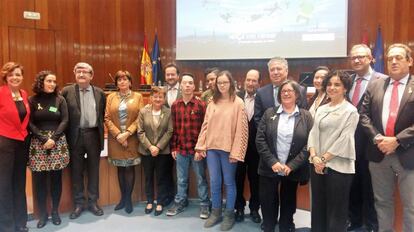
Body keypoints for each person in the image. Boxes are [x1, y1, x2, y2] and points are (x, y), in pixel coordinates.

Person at [360, 43, 414, 232]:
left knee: (412, 206)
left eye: (398, 58)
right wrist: (377, 139)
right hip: (379, 153)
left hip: (408, 155)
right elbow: (363, 116)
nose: (393, 62)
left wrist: (397, 140)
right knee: (382, 202)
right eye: (390, 58)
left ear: (410, 61)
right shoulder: (375, 85)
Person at [256, 80, 313, 232]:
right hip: (270, 168)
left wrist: (292, 165)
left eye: (290, 91)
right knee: (268, 201)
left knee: (288, 202)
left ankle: (285, 226)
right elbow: (260, 140)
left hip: (291, 169)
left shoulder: (306, 116)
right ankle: (268, 226)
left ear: (297, 95)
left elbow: (310, 144)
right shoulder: (269, 113)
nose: (286, 93)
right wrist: (272, 162)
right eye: (283, 91)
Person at [195, 70, 248, 231]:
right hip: (212, 148)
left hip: (228, 150)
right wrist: (201, 146)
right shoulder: (212, 103)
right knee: (215, 182)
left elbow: (242, 129)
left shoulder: (238, 103)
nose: (222, 85)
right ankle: (216, 212)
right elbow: (205, 126)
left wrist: (236, 152)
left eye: (225, 82)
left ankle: (229, 214)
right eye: (219, 83)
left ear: (231, 83)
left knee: (229, 182)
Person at [308, 70, 359, 232]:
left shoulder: (350, 111)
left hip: (338, 167)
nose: (332, 87)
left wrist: (323, 160)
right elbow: (313, 133)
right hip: (316, 164)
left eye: (337, 85)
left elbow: (345, 140)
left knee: (336, 211)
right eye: (329, 84)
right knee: (318, 207)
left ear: (345, 88)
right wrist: (314, 156)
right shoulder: (322, 109)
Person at [347, 44, 385, 232]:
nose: (357, 60)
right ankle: (354, 221)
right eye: (353, 57)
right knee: (351, 184)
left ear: (371, 58)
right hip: (348, 144)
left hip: (372, 143)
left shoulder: (383, 80)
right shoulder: (347, 80)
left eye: (361, 56)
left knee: (371, 188)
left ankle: (371, 225)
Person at [61, 62, 106, 219]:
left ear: (91, 75)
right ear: (74, 74)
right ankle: (79, 204)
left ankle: (93, 202)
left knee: (94, 170)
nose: (81, 74)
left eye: (85, 72)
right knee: (76, 172)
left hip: (94, 135)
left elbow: (102, 116)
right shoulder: (66, 91)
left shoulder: (100, 93)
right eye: (78, 71)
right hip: (75, 136)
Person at [28, 71, 69, 228]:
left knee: (55, 180)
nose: (52, 84)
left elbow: (65, 120)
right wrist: (44, 138)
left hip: (57, 143)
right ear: (41, 82)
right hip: (38, 144)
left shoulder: (60, 99)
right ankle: (43, 215)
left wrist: (53, 139)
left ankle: (55, 212)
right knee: (39, 182)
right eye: (48, 81)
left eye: (54, 81)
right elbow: (30, 122)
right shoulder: (32, 100)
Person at [167, 73, 210, 219]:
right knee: (181, 179)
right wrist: (173, 147)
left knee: (201, 179)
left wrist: (201, 148)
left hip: (197, 150)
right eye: (184, 83)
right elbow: (173, 129)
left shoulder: (201, 105)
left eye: (190, 83)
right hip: (181, 150)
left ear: (194, 86)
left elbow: (206, 129)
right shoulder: (175, 105)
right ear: (181, 85)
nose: (187, 86)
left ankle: (204, 205)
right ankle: (180, 202)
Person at [104, 70, 143, 214]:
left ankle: (128, 200)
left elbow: (140, 117)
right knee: (120, 168)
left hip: (131, 138)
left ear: (130, 82)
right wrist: (118, 135)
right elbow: (106, 118)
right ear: (116, 83)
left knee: (129, 168)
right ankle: (123, 198)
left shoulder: (138, 96)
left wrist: (127, 134)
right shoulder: (111, 97)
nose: (122, 82)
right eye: (119, 80)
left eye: (125, 79)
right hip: (115, 140)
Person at [0, 62, 30, 232]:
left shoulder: (24, 94)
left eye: (18, 74)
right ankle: (6, 225)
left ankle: (20, 222)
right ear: (6, 77)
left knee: (19, 184)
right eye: (11, 75)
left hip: (21, 144)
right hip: (4, 144)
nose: (15, 77)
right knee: (4, 185)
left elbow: (23, 119)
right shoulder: (0, 93)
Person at [137, 86, 173, 216]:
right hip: (146, 151)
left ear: (164, 99)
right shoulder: (143, 111)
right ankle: (150, 201)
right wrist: (150, 146)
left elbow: (170, 131)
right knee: (148, 177)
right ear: (150, 98)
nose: (158, 99)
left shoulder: (168, 112)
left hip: (162, 152)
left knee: (161, 178)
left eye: (160, 97)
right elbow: (140, 131)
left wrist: (158, 147)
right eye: (155, 96)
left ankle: (160, 202)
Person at [235, 69, 262, 223]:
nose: (250, 83)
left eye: (254, 80)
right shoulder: (236, 97)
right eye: (248, 80)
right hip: (238, 148)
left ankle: (254, 209)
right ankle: (239, 208)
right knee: (237, 179)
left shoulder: (263, 98)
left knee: (255, 180)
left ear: (259, 83)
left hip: (256, 150)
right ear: (244, 81)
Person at [254, 57, 308, 127]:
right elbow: (258, 119)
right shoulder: (261, 93)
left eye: (279, 69)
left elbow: (303, 116)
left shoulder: (300, 90)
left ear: (286, 71)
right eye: (272, 70)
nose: (275, 72)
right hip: (269, 136)